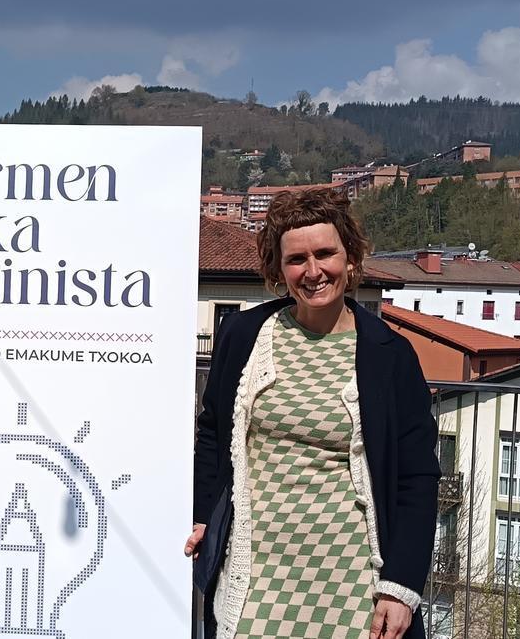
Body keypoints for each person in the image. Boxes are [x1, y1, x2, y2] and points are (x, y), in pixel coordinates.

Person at [184, 188, 440, 639]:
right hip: (257, 571)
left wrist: (401, 586)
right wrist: (205, 514)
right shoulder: (244, 335)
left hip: (350, 579)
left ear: (350, 258)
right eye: (297, 259)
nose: (313, 271)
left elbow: (417, 476)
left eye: (325, 254)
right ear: (279, 269)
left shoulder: (390, 355)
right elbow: (213, 432)